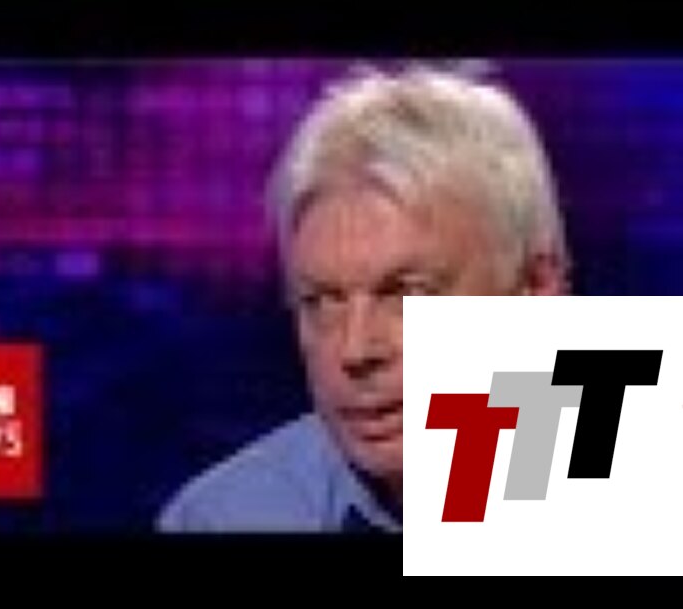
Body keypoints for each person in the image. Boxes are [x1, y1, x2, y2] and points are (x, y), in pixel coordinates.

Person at [157, 61, 570, 532]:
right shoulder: (221, 518)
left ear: (534, 289)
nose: (355, 351)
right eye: (321, 302)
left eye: (407, 293)